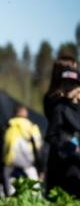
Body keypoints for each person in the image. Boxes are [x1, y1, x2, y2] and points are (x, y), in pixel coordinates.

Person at [44, 64, 80, 197]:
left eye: (72, 84)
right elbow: (51, 136)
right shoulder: (59, 107)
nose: (68, 86)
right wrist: (65, 145)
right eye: (65, 83)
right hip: (66, 166)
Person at [2, 106, 43, 196]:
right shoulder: (31, 125)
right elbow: (38, 147)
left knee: (11, 191)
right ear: (25, 114)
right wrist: (41, 168)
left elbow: (0, 147)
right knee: (35, 190)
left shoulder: (7, 125)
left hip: (10, 164)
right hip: (28, 164)